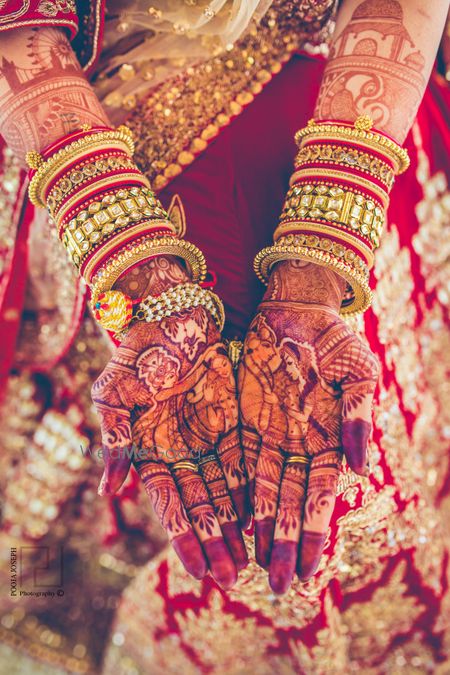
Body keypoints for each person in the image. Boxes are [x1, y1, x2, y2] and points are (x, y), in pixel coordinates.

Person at [0, 1, 449, 672]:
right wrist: (136, 262)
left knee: (340, 489)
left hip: (352, 98)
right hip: (101, 114)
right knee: (245, 499)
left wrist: (319, 259)